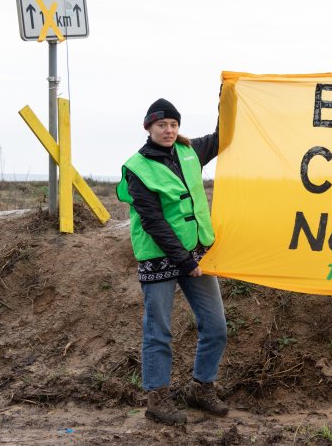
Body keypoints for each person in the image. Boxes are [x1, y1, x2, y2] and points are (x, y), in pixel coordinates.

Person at [116, 98, 228, 425]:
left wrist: (228, 98)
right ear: (148, 127)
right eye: (162, 125)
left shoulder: (191, 151)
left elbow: (223, 136)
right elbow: (152, 222)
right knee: (158, 331)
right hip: (160, 259)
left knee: (216, 326)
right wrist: (183, 261)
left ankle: (201, 388)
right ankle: (157, 400)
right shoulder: (137, 167)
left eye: (173, 125)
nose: (168, 130)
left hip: (194, 254)